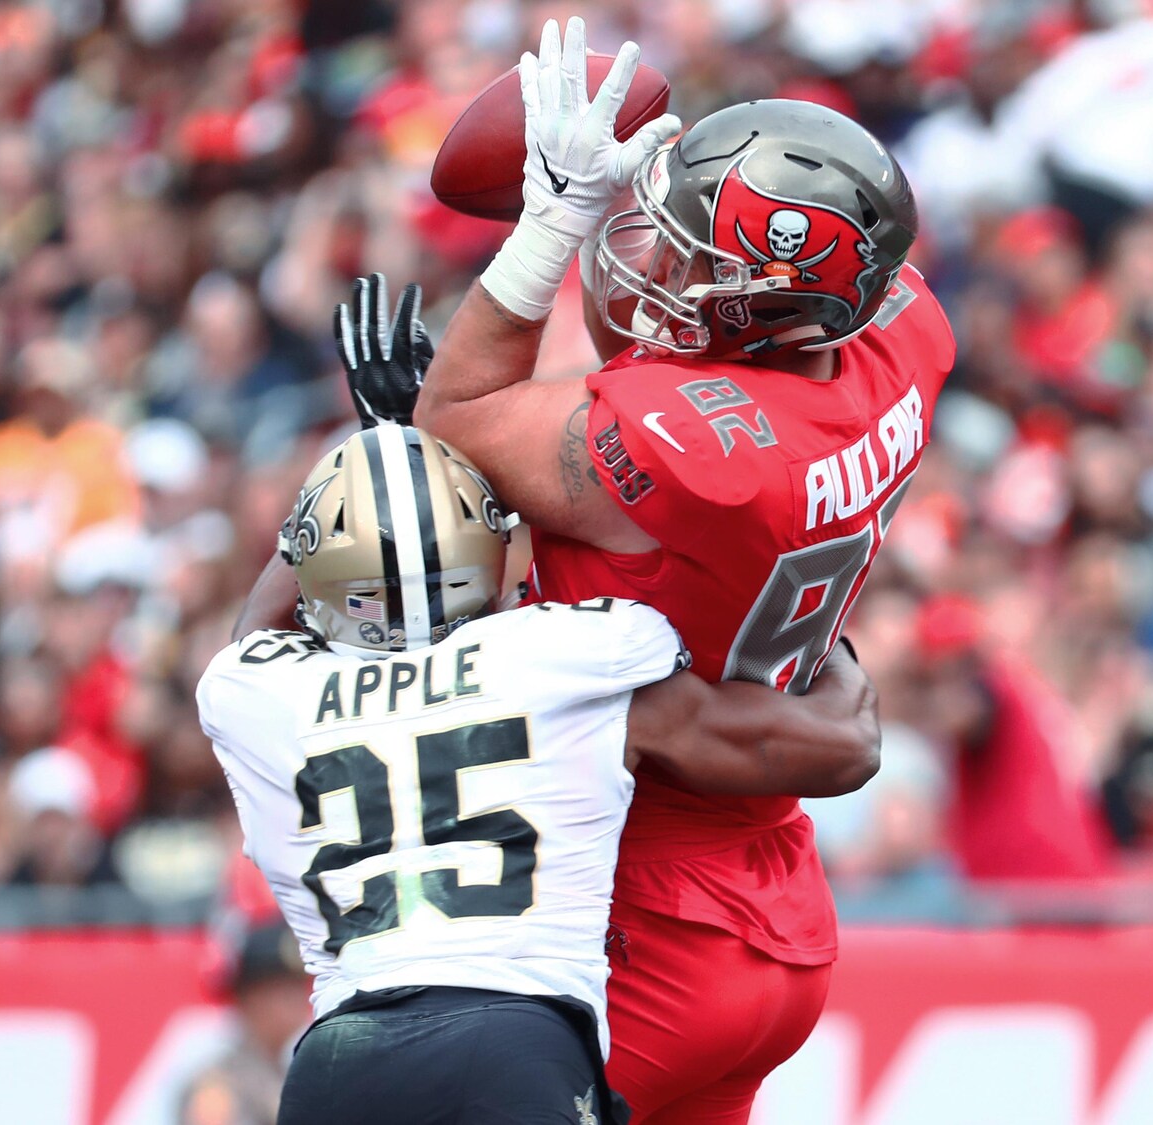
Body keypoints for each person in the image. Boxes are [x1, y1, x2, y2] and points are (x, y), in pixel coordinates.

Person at [358, 18, 957, 1122]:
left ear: (773, 307)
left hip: (642, 902)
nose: (651, 262)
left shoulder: (705, 454)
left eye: (688, 257)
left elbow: (456, 417)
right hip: (768, 888)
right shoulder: (889, 350)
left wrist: (546, 227)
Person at [199, 423, 881, 1124]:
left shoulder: (256, 691)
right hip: (513, 1037)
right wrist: (828, 646)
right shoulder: (571, 651)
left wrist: (352, 488)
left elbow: (256, 629)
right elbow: (844, 748)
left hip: (342, 1055)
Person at [177, 922, 310, 1125]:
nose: (300, 999)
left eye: (299, 985)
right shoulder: (217, 1088)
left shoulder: (289, 1075)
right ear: (248, 998)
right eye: (282, 988)